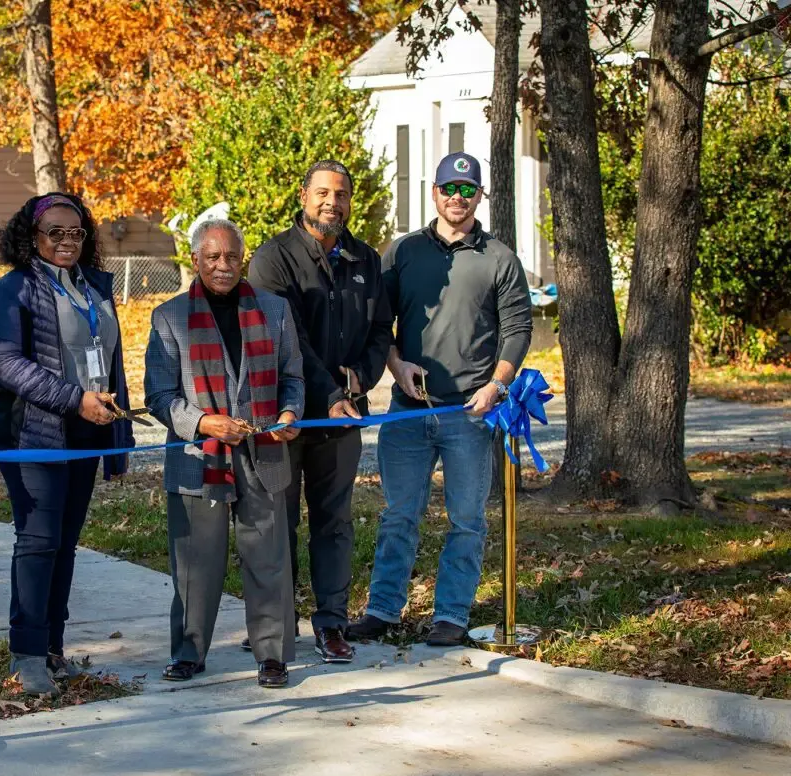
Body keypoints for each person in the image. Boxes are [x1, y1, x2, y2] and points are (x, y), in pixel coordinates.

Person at [348, 152, 533, 646]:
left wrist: (497, 385)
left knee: (467, 520)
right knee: (397, 516)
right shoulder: (404, 252)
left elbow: (517, 329)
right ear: (434, 192)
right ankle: (383, 610)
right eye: (449, 187)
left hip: (469, 415)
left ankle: (451, 615)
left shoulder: (500, 259)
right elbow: (377, 322)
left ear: (479, 197)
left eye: (467, 189)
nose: (457, 197)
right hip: (409, 412)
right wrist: (394, 364)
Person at [0, 192, 134, 695]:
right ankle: (26, 654)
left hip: (87, 431)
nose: (67, 242)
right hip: (36, 434)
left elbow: (111, 361)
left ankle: (52, 649)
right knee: (38, 542)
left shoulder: (94, 287)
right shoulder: (14, 288)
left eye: (76, 233)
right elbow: (7, 364)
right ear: (32, 237)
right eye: (55, 233)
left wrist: (118, 432)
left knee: (65, 545)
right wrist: (73, 399)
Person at [144, 220, 304, 689]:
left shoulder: (274, 311)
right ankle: (188, 651)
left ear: (243, 259)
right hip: (199, 457)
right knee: (196, 563)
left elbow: (293, 376)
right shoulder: (169, 317)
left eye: (231, 256)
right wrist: (202, 422)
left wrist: (291, 411)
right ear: (195, 260)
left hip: (265, 453)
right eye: (212, 257)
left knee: (268, 558)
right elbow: (159, 395)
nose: (222, 265)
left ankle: (271, 654)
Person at [248, 160, 394, 663]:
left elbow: (380, 332)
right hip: (284, 417)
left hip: (342, 419)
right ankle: (276, 625)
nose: (333, 202)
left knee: (334, 523)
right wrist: (328, 390)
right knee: (278, 522)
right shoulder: (273, 259)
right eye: (323, 193)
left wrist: (358, 381)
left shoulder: (366, 260)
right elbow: (288, 340)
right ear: (304, 195)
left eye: (343, 194)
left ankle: (332, 625)